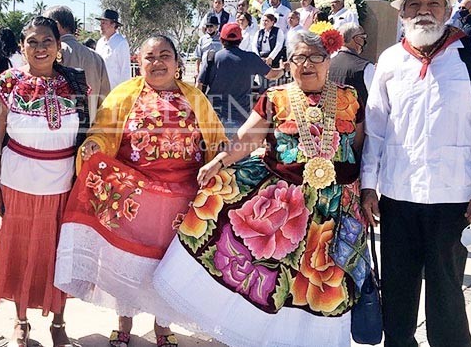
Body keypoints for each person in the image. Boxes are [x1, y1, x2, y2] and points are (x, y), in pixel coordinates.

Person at [153, 30, 366, 347]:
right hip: (285, 209)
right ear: (289, 63)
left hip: (335, 211)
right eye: (299, 58)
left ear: (328, 60)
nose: (307, 64)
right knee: (277, 281)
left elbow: (359, 146)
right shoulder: (275, 97)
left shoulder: (350, 97)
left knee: (323, 284)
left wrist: (363, 192)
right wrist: (220, 162)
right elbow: (249, 137)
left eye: (316, 57)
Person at [361, 0, 471, 347]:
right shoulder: (390, 60)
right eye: (414, 5)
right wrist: (368, 187)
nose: (423, 11)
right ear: (402, 12)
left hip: (455, 199)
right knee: (397, 298)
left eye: (433, 4)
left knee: (447, 300)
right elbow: (376, 130)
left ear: (447, 9)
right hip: (398, 197)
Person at [56, 35, 227, 347]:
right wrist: (94, 144)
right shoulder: (123, 95)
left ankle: (163, 326)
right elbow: (104, 133)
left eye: (165, 55)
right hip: (134, 198)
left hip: (182, 202)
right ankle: (124, 322)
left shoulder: (196, 99)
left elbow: (216, 142)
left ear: (177, 62)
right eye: (150, 57)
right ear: (139, 62)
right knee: (127, 263)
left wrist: (221, 164)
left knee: (166, 266)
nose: (158, 62)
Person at [0, 16, 89, 347]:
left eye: (47, 41)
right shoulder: (7, 84)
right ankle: (21, 319)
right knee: (21, 251)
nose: (40, 47)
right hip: (18, 183)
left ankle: (59, 321)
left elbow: (88, 135)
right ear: (22, 46)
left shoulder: (75, 83)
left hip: (64, 186)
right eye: (32, 41)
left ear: (59, 46)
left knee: (60, 254)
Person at [198, 23, 282, 137]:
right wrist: (284, 69)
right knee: (236, 148)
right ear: (240, 40)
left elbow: (199, 86)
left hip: (213, 118)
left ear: (221, 40)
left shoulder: (212, 58)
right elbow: (272, 74)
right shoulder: (251, 58)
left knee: (213, 148)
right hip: (239, 119)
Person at [44, 5, 112, 120]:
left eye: (45, 26)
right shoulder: (96, 57)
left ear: (56, 26)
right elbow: (105, 101)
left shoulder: (49, 54)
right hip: (90, 126)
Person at [328, 24, 374, 107]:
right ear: (357, 39)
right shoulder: (366, 67)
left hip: (330, 113)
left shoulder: (327, 64)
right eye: (363, 38)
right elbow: (376, 99)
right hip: (357, 114)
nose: (364, 42)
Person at [96, 9, 132, 89]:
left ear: (113, 24)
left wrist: (124, 91)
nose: (101, 26)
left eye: (104, 23)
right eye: (101, 23)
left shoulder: (121, 42)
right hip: (100, 89)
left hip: (115, 90)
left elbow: (125, 70)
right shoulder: (100, 42)